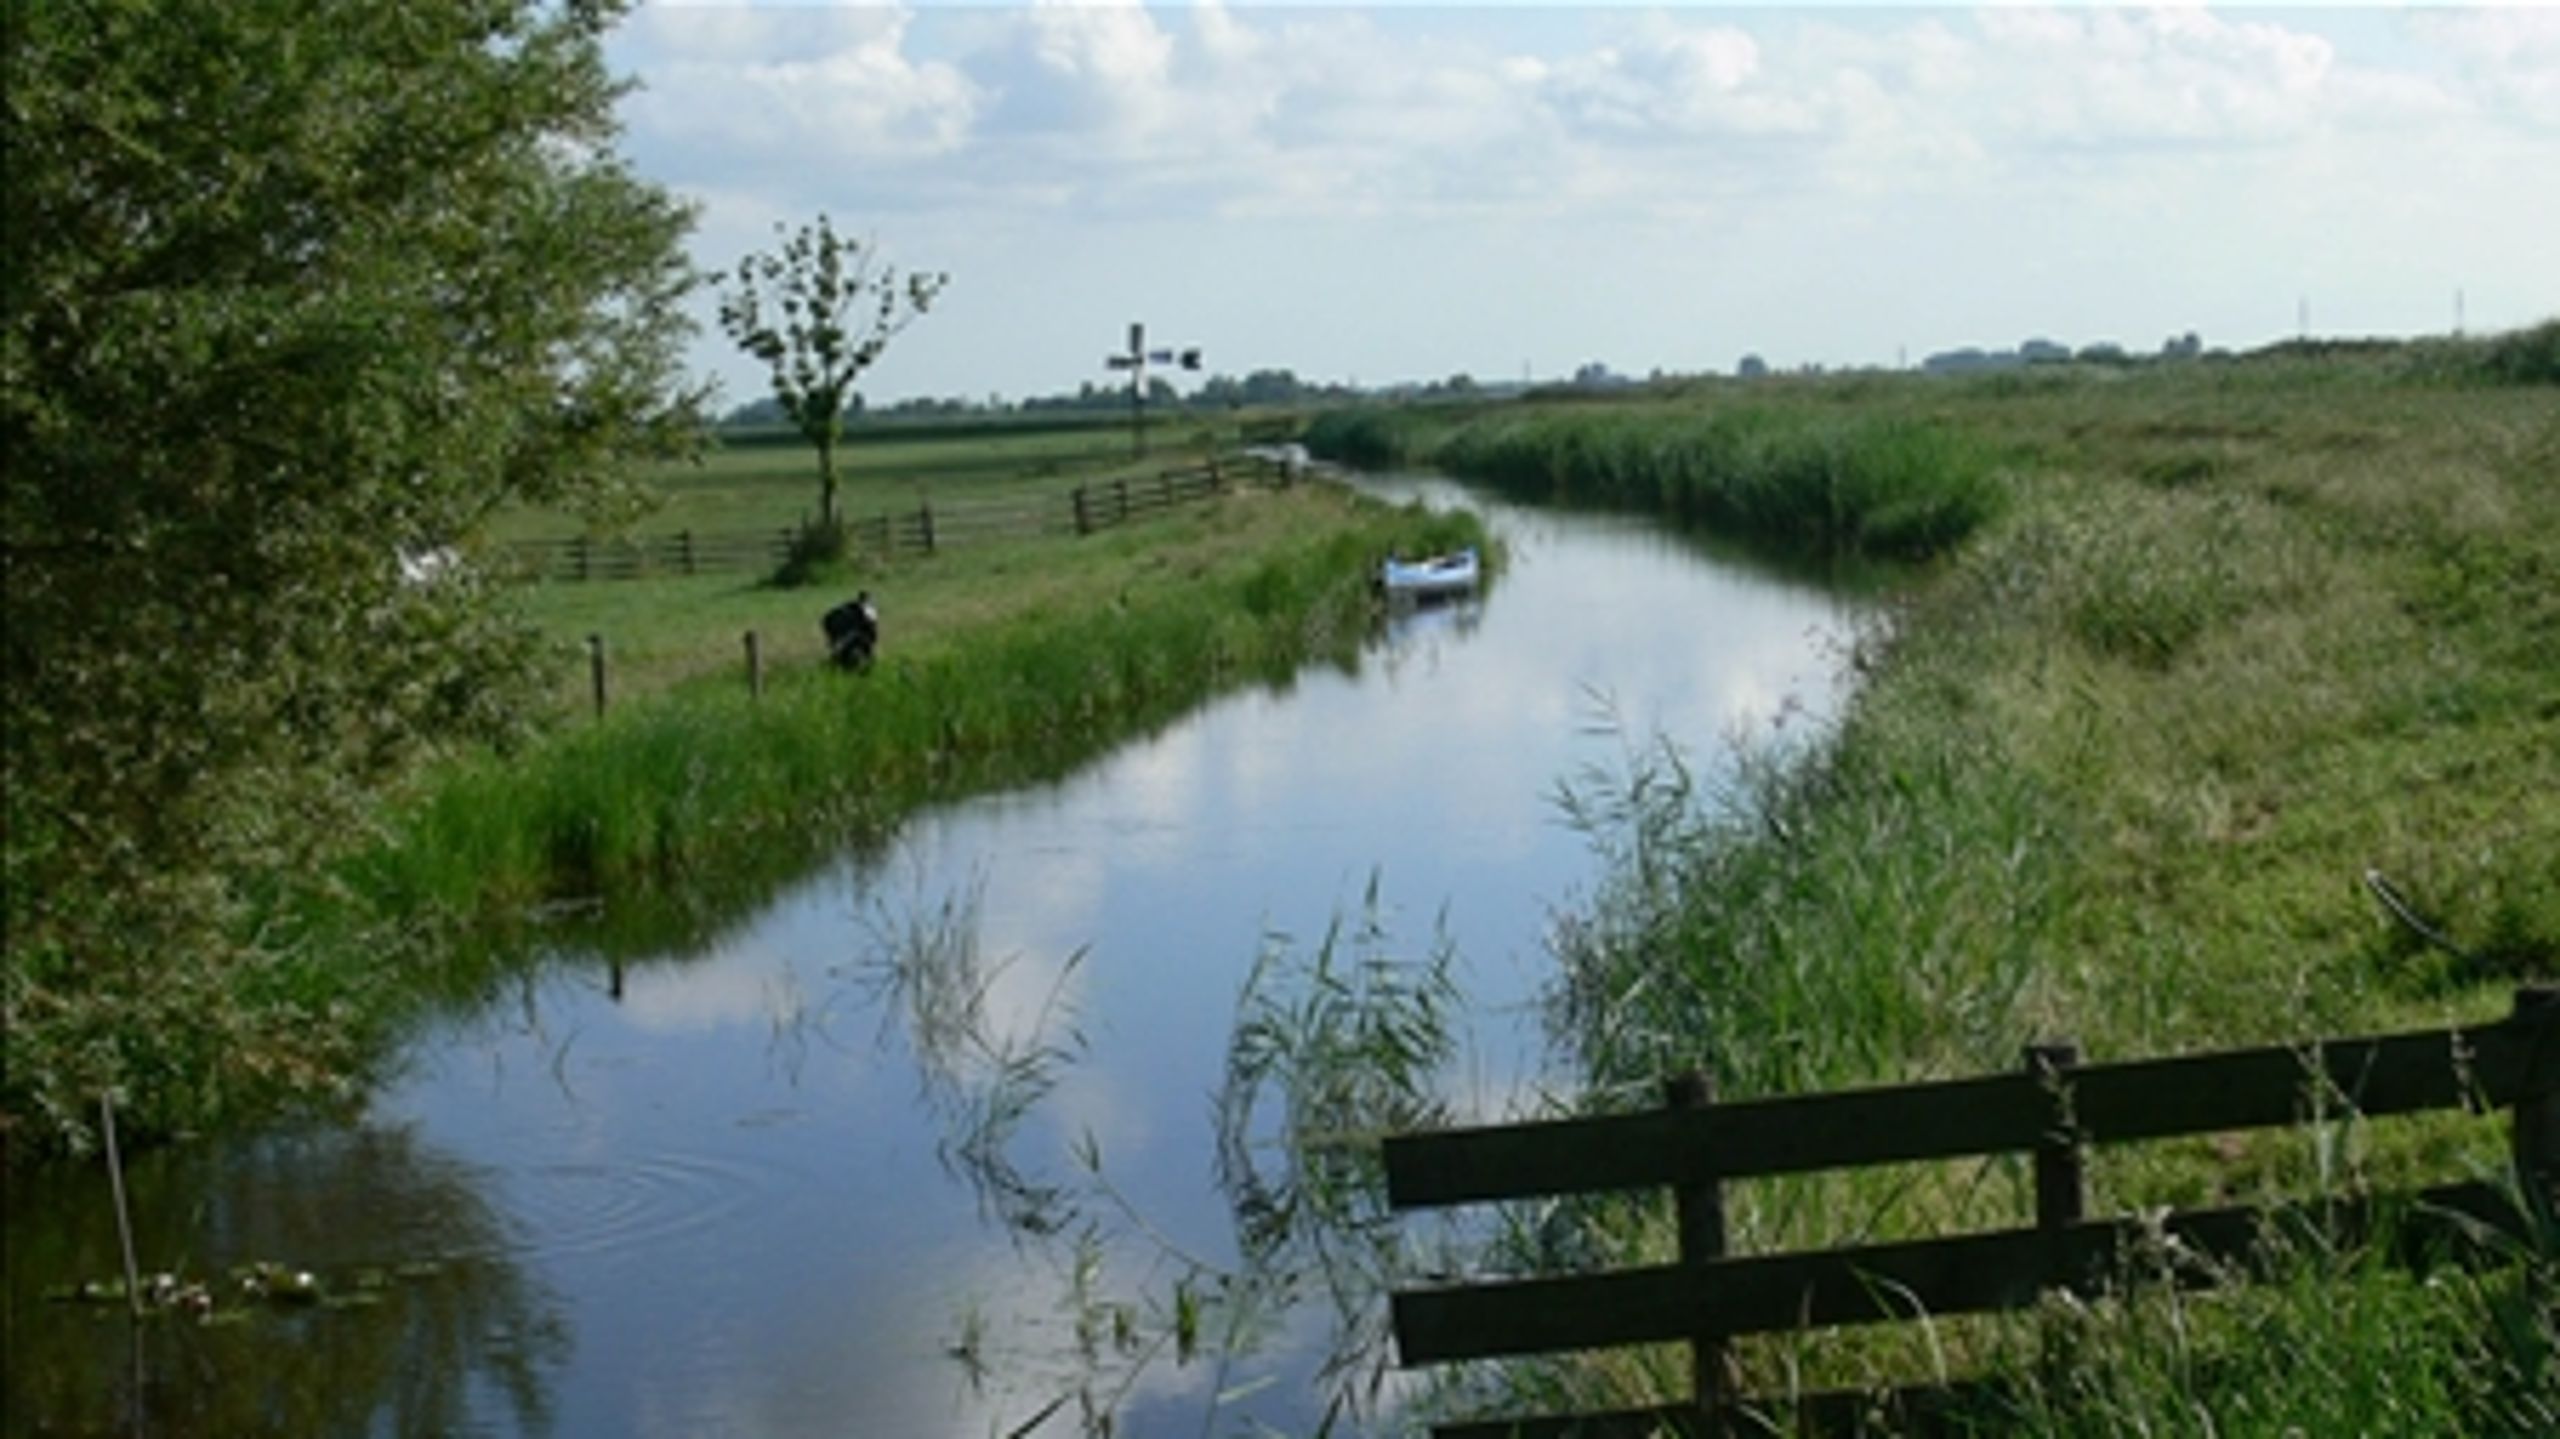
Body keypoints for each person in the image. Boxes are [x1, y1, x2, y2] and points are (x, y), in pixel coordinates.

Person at [822, 590, 879, 671]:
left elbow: (870, 626)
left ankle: (840, 663)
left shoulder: (859, 607)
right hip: (841, 625)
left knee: (847, 645)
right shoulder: (866, 609)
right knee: (849, 645)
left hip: (838, 624)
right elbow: (870, 627)